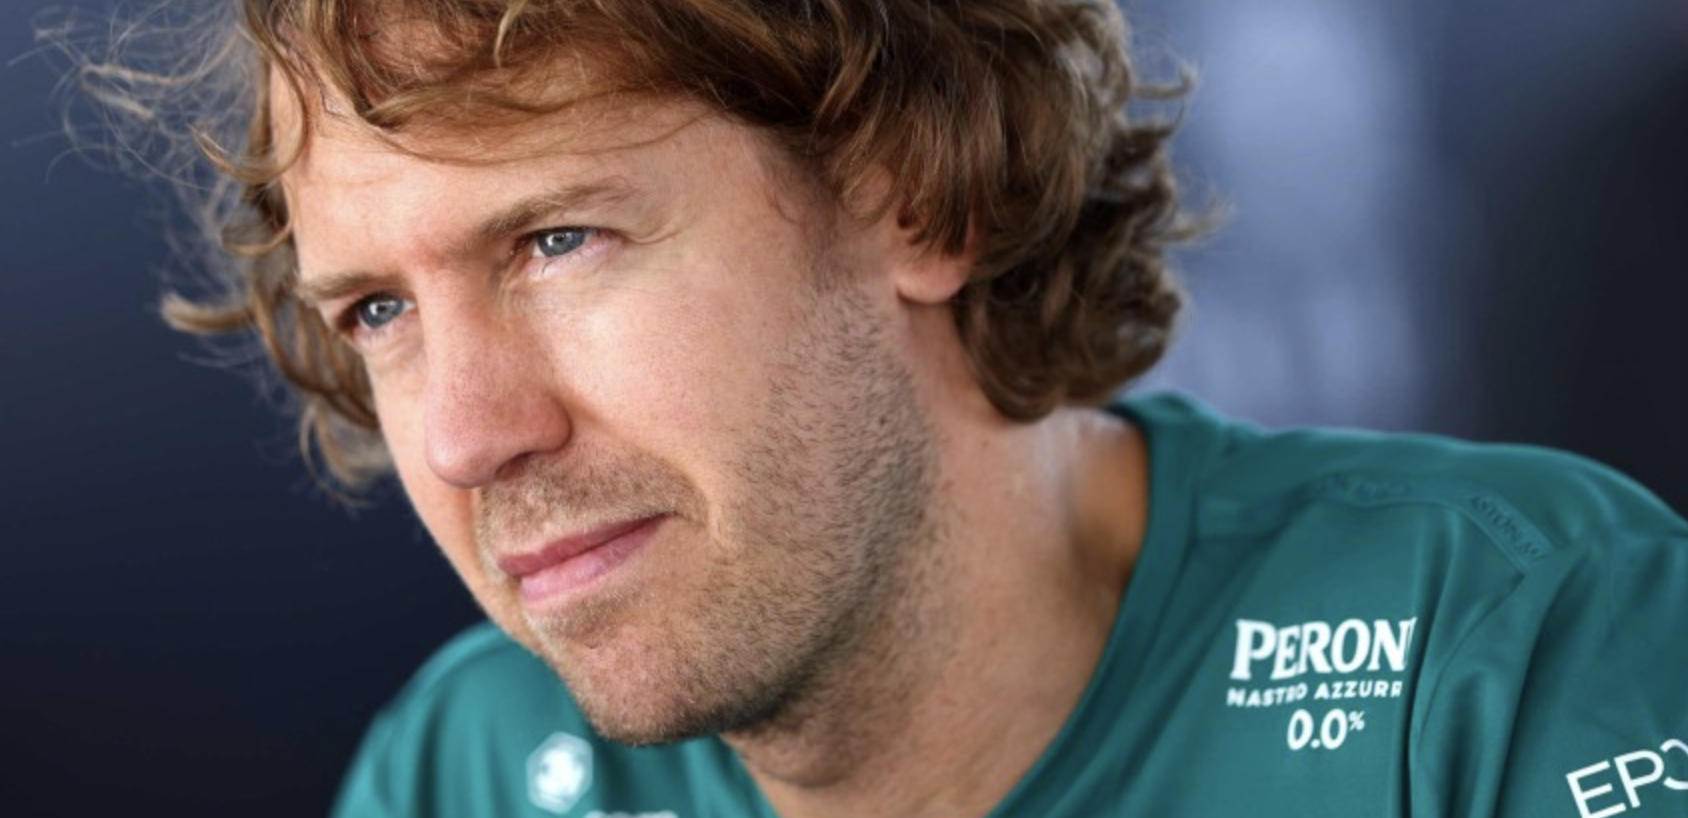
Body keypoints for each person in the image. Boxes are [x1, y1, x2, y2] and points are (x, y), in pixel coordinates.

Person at [75, 1, 1688, 816]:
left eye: (557, 240)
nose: (464, 433)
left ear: (917, 195)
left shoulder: (1519, 647)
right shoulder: (470, 767)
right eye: (379, 310)